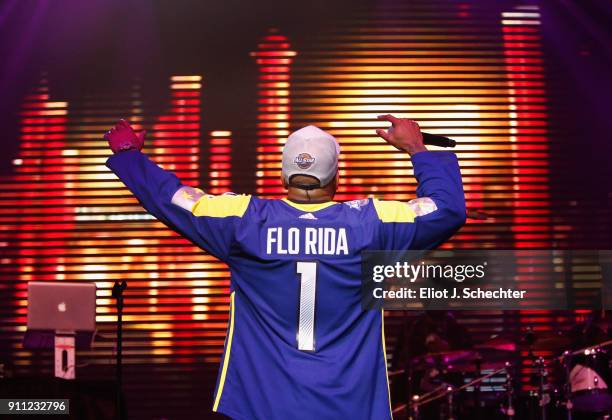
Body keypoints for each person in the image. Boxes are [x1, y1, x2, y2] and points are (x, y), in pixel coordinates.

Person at [104, 115, 466, 420]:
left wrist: (129, 155)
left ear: (283, 174)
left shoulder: (243, 221)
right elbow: (447, 209)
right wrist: (416, 149)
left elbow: (172, 198)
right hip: (349, 405)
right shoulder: (372, 223)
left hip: (260, 406)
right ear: (335, 176)